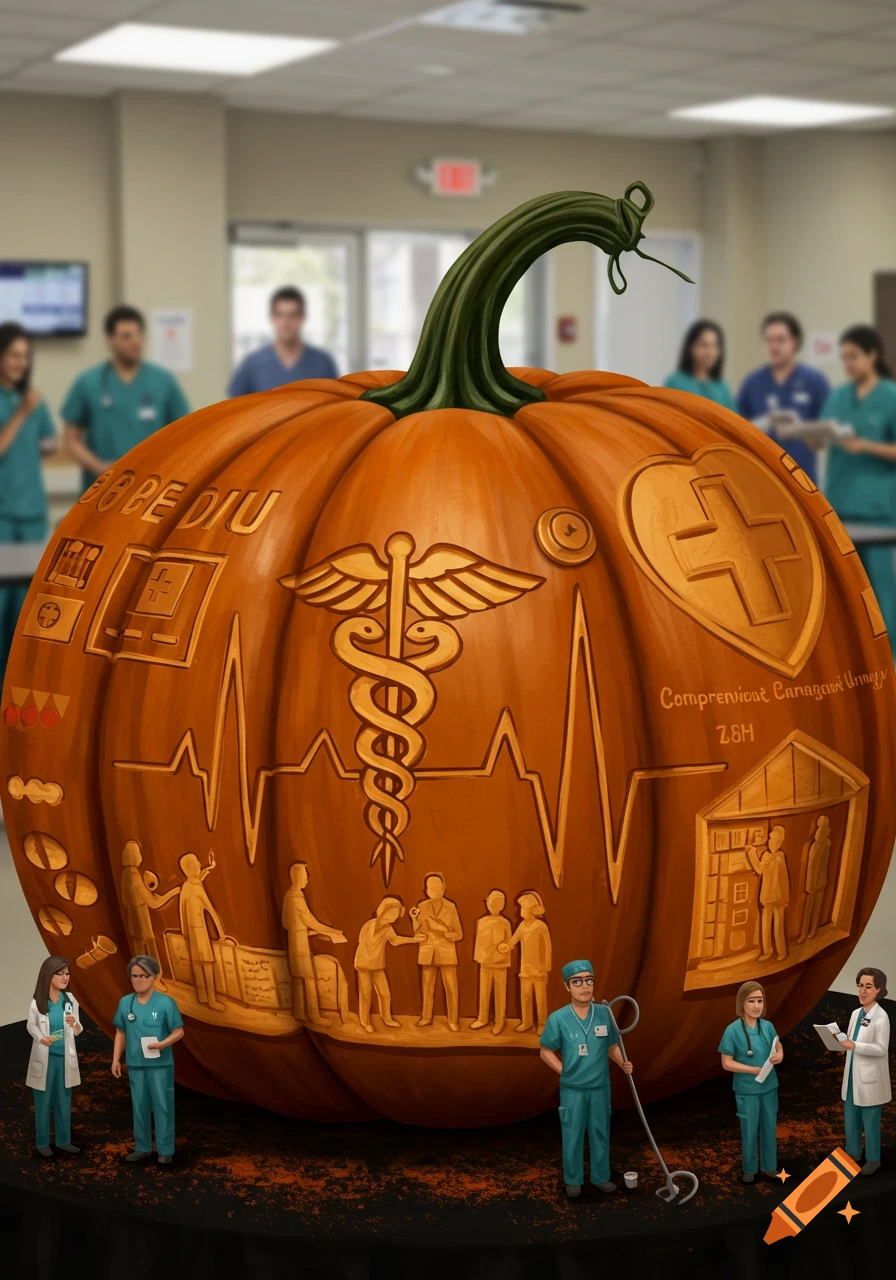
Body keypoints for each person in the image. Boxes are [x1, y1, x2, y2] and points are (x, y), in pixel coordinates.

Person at [61, 305, 190, 493]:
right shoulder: (89, 382)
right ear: (110, 340)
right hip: (101, 490)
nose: (135, 342)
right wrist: (99, 467)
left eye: (139, 335)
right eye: (126, 336)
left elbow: (184, 434)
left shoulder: (163, 381)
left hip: (151, 489)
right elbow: (71, 439)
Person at [822, 325, 896, 647]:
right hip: (840, 501)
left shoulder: (890, 396)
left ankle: (889, 655)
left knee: (880, 587)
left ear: (872, 356)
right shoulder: (839, 395)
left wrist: (865, 446)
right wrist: (813, 435)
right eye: (844, 357)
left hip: (877, 509)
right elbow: (825, 431)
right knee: (848, 586)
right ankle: (858, 653)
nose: (847, 363)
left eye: (853, 356)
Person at [539, 960, 633, 1198]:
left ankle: (601, 1177)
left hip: (600, 1087)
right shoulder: (558, 1018)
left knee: (601, 1132)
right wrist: (565, 1071)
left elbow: (611, 1045)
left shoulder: (604, 1014)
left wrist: (623, 1062)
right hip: (573, 1090)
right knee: (573, 1133)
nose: (585, 986)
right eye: (577, 981)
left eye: (589, 980)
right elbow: (545, 1051)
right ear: (567, 986)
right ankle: (573, 1179)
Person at [0, 322, 55, 678]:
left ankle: (18, 683)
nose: (20, 362)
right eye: (14, 355)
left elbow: (48, 444)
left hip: (33, 513)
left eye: (25, 356)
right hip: (3, 515)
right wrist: (20, 414)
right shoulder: (21, 405)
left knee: (26, 608)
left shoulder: (35, 400)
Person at [737, 312, 829, 482]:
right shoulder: (752, 382)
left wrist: (811, 436)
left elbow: (825, 435)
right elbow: (739, 428)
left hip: (803, 478)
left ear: (795, 341)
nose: (774, 346)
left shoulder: (815, 381)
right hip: (761, 477)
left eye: (780, 340)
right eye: (769, 340)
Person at [111, 954, 185, 1165]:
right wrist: (116, 1059)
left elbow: (178, 1031)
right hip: (135, 1065)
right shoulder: (126, 1003)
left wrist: (163, 1044)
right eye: (134, 976)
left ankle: (165, 1149)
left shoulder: (165, 1003)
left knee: (162, 1106)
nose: (138, 980)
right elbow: (121, 1032)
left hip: (160, 1066)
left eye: (144, 975)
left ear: (154, 977)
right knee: (139, 1106)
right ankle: (142, 1147)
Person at [718, 980, 784, 1184]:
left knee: (769, 1127)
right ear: (742, 1004)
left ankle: (769, 1166)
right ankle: (749, 1168)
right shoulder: (732, 1030)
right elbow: (726, 1063)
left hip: (769, 1086)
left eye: (760, 1001)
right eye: (751, 1001)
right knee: (749, 1129)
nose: (757, 1006)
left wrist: (780, 1055)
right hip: (747, 1089)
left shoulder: (768, 1026)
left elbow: (777, 1045)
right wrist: (751, 1069)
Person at [228, 286, 339, 396]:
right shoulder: (252, 364)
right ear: (272, 318)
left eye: (293, 315)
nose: (286, 322)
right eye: (280, 315)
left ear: (303, 318)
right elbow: (234, 407)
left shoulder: (323, 363)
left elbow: (338, 407)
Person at [25, 956, 82, 1158]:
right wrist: (42, 1039)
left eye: (67, 974)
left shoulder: (70, 1000)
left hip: (64, 1060)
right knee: (43, 1101)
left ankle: (63, 1141)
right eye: (60, 973)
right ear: (49, 975)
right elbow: (30, 1026)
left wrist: (74, 1022)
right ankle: (42, 1142)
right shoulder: (38, 1002)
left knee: (64, 1101)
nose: (65, 977)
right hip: (45, 1060)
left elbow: (77, 1030)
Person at [840, 966, 891, 1176]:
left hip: (870, 1078)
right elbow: (852, 1041)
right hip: (852, 1075)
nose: (862, 991)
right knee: (851, 1117)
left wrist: (855, 1046)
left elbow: (881, 1050)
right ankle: (853, 1153)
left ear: (878, 989)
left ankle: (873, 1159)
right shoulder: (855, 1014)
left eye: (868, 986)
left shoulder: (881, 1016)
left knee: (870, 1121)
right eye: (860, 986)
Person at [282, 861, 346, 1025]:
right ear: (298, 876)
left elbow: (286, 922)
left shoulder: (289, 896)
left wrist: (304, 930)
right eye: (305, 875)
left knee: (298, 978)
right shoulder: (296, 898)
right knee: (308, 978)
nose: (307, 878)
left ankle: (300, 1012)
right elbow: (311, 920)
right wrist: (330, 931)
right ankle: (314, 1015)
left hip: (294, 940)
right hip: (300, 943)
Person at [354, 896, 422, 1033]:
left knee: (385, 994)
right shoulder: (368, 925)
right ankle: (365, 1021)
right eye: (393, 914)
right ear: (384, 911)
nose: (395, 918)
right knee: (366, 994)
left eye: (396, 915)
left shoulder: (388, 929)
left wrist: (414, 940)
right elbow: (361, 941)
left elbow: (395, 941)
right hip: (363, 964)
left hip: (378, 966)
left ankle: (387, 1018)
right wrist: (368, 956)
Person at [119, 840, 181, 990]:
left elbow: (126, 899)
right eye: (138, 853)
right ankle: (156, 977)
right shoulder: (134, 874)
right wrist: (173, 892)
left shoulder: (125, 874)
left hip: (132, 915)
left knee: (138, 946)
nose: (141, 856)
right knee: (150, 943)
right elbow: (152, 902)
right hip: (141, 914)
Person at [411, 873, 463, 1032]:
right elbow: (417, 932)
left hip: (446, 951)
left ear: (443, 888)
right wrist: (413, 918)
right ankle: (426, 1017)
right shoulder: (422, 906)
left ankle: (453, 1020)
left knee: (451, 988)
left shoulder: (450, 907)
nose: (433, 889)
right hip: (427, 952)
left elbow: (459, 934)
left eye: (436, 886)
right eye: (429, 886)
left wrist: (450, 935)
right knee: (427, 987)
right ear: (426, 890)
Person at [177, 851, 225, 1012]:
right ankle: (211, 999)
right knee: (206, 963)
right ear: (191, 868)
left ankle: (202, 996)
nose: (199, 864)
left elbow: (181, 910)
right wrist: (220, 931)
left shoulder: (187, 885)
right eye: (197, 862)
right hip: (200, 932)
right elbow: (209, 908)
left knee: (197, 964)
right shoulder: (196, 888)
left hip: (191, 933)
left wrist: (209, 868)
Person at [499, 889, 552, 1034]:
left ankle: (542, 1023)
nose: (521, 911)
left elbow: (547, 948)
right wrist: (506, 946)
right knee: (526, 996)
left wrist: (546, 968)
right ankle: (527, 1022)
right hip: (525, 968)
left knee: (540, 998)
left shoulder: (541, 926)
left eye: (523, 908)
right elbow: (513, 940)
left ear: (532, 910)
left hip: (539, 969)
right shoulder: (522, 926)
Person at [663, 319, 735, 408]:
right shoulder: (675, 383)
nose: (710, 352)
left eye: (714, 345)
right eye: (704, 345)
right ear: (690, 348)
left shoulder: (722, 388)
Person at [470, 889, 512, 1035]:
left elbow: (509, 942)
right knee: (484, 991)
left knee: (500, 993)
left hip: (500, 963)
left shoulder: (505, 923)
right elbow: (478, 942)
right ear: (487, 902)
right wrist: (479, 958)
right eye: (492, 902)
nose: (494, 905)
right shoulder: (482, 921)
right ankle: (482, 1018)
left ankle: (500, 1021)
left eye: (499, 902)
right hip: (485, 962)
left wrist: (504, 952)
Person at [747, 826, 790, 962]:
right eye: (770, 843)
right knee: (766, 925)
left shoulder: (781, 856)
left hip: (779, 896)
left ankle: (782, 952)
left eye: (775, 843)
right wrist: (752, 853)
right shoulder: (766, 856)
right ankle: (767, 951)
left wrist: (786, 897)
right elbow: (759, 869)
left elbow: (784, 877)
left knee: (778, 926)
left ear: (779, 843)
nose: (772, 845)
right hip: (767, 897)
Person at [797, 815, 831, 944]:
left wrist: (819, 881)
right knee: (809, 907)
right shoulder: (816, 845)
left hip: (820, 880)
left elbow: (822, 864)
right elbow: (812, 865)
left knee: (815, 906)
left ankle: (811, 931)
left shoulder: (825, 844)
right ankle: (805, 933)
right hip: (813, 881)